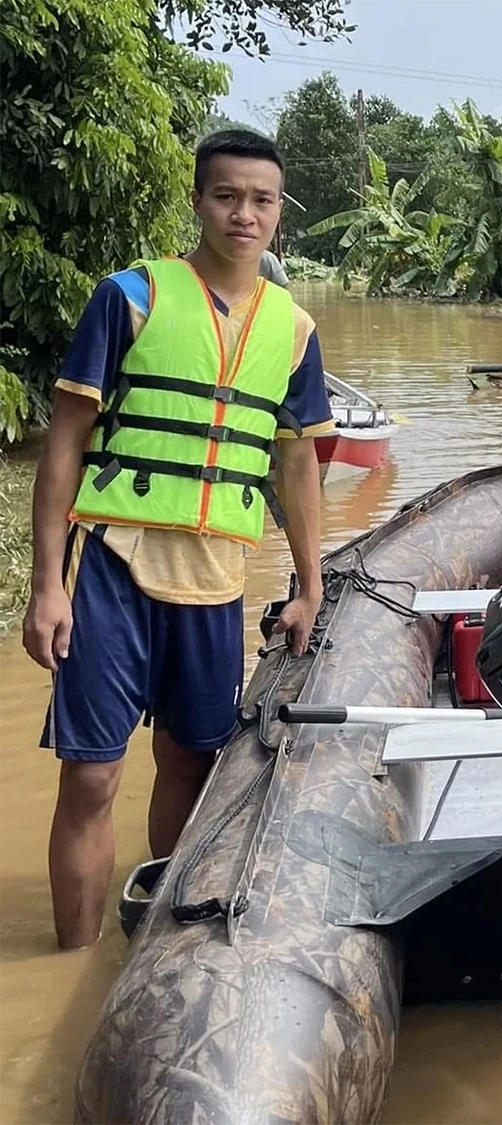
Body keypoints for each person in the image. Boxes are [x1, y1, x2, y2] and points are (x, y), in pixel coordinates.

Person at [21, 129, 335, 950]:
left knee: (192, 764)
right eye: (227, 196)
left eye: (262, 200)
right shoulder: (130, 297)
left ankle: (165, 952)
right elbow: (64, 441)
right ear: (198, 201)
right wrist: (46, 585)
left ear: (280, 212)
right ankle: (72, 957)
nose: (244, 214)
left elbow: (297, 463)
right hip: (112, 567)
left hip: (216, 578)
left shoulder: (294, 330)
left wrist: (310, 585)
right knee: (92, 775)